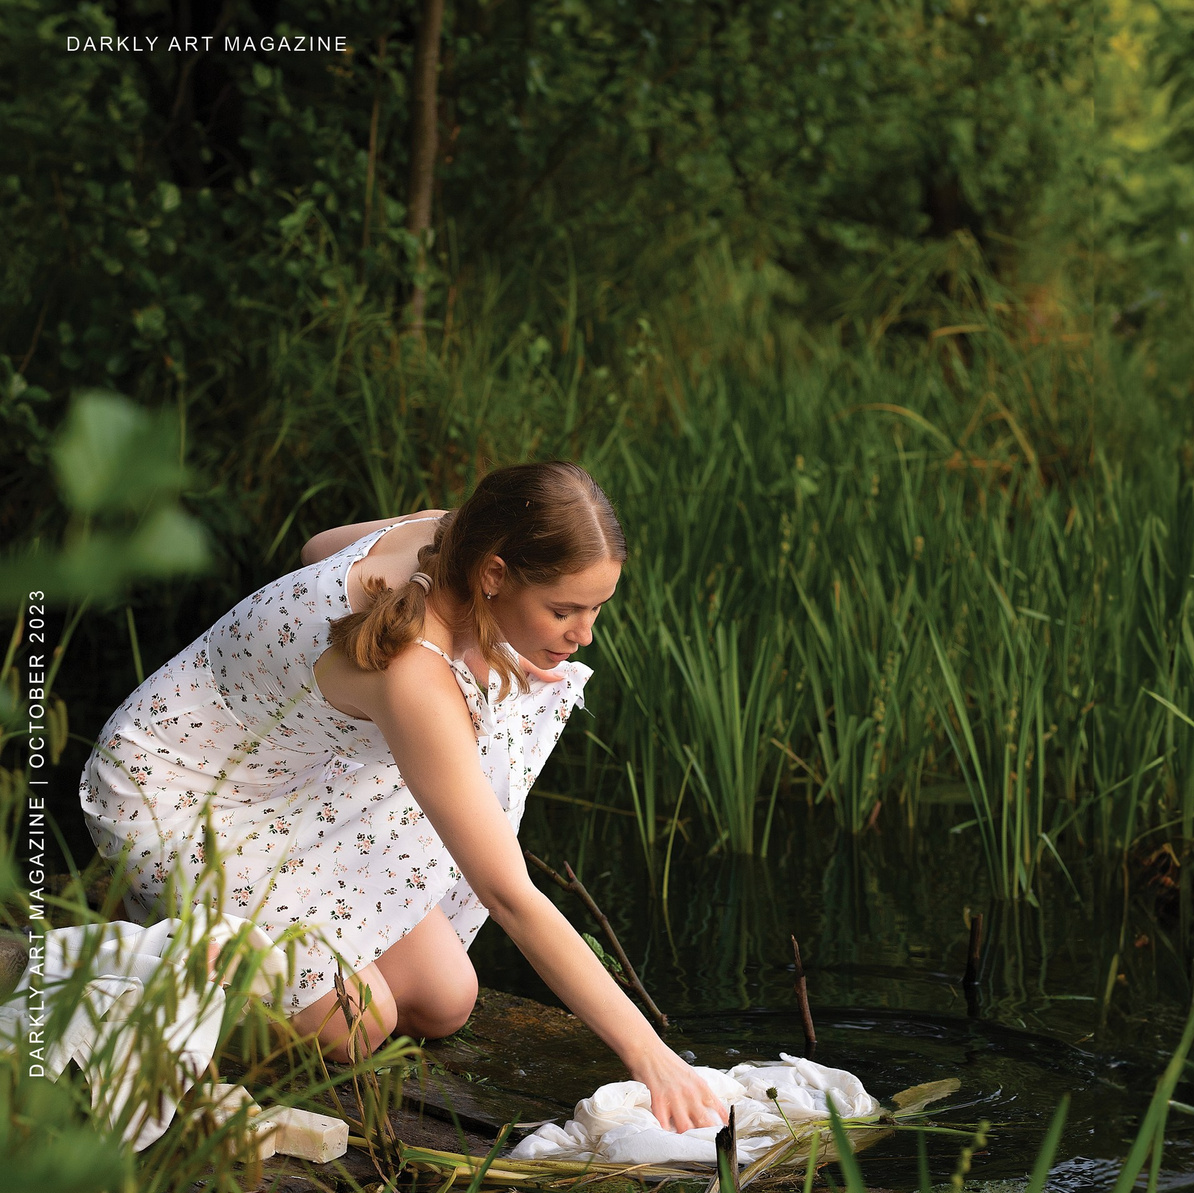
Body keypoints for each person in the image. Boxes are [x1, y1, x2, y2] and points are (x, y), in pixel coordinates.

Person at [79, 460, 727, 1133]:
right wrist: (650, 1055)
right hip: (174, 787)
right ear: (495, 573)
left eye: (595, 609)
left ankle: (218, 922)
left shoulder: (446, 534)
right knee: (357, 1027)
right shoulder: (413, 675)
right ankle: (151, 929)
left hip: (288, 779)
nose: (583, 634)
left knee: (446, 999)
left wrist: (484, 638)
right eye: (562, 610)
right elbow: (510, 896)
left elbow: (317, 549)